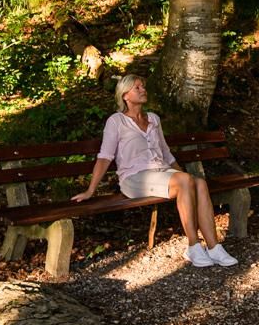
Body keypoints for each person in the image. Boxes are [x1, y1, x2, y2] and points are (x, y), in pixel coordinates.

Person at [73, 75, 237, 267]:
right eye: (137, 88)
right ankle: (193, 246)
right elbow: (105, 156)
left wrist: (186, 178)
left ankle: (214, 247)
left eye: (143, 86)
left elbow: (166, 153)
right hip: (134, 179)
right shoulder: (116, 121)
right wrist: (91, 190)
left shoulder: (153, 119)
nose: (143, 90)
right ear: (125, 95)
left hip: (162, 173)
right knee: (186, 181)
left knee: (199, 183)